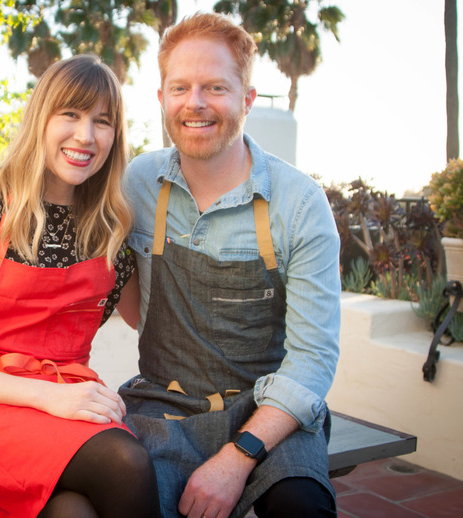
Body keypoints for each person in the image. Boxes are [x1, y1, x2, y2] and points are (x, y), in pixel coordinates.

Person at [115, 13, 340, 518]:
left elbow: (313, 361)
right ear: (161, 99)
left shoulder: (299, 203)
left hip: (269, 411)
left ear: (247, 99)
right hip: (163, 405)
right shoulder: (138, 183)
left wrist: (237, 458)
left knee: (301, 507)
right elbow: (132, 305)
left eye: (215, 87)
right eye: (181, 87)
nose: (195, 103)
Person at [0, 54, 161, 518]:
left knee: (73, 512)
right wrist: (53, 398)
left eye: (102, 121)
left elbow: (151, 321)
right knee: (125, 463)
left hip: (65, 401)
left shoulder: (108, 227)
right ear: (40, 118)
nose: (86, 136)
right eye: (70, 114)